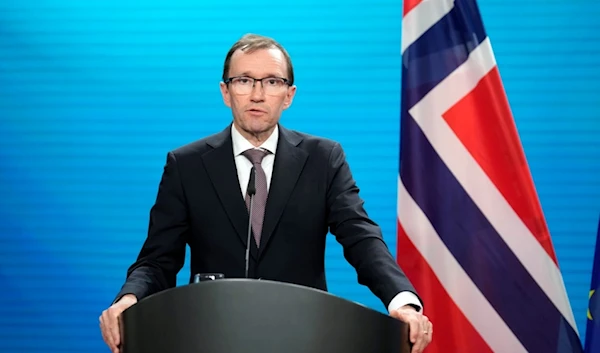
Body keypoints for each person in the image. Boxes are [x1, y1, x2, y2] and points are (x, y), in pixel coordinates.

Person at [99, 33, 432, 353]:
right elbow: (158, 259)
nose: (257, 94)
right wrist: (128, 300)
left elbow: (360, 237)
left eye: (272, 81)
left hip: (303, 337)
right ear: (225, 92)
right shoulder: (186, 165)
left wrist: (401, 301)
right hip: (211, 336)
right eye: (244, 80)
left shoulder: (323, 158)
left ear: (289, 95)